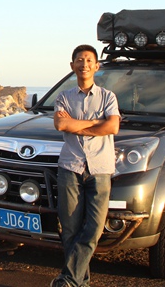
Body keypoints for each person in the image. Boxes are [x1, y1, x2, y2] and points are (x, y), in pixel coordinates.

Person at [51, 44, 120, 287]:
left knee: (94, 229)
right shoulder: (63, 96)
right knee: (69, 229)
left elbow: (112, 127)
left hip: (100, 169)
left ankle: (68, 279)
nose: (84, 64)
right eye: (79, 60)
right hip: (70, 167)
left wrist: (76, 124)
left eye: (89, 60)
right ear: (72, 66)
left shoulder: (108, 97)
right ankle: (79, 283)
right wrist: (94, 123)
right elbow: (61, 125)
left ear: (97, 66)